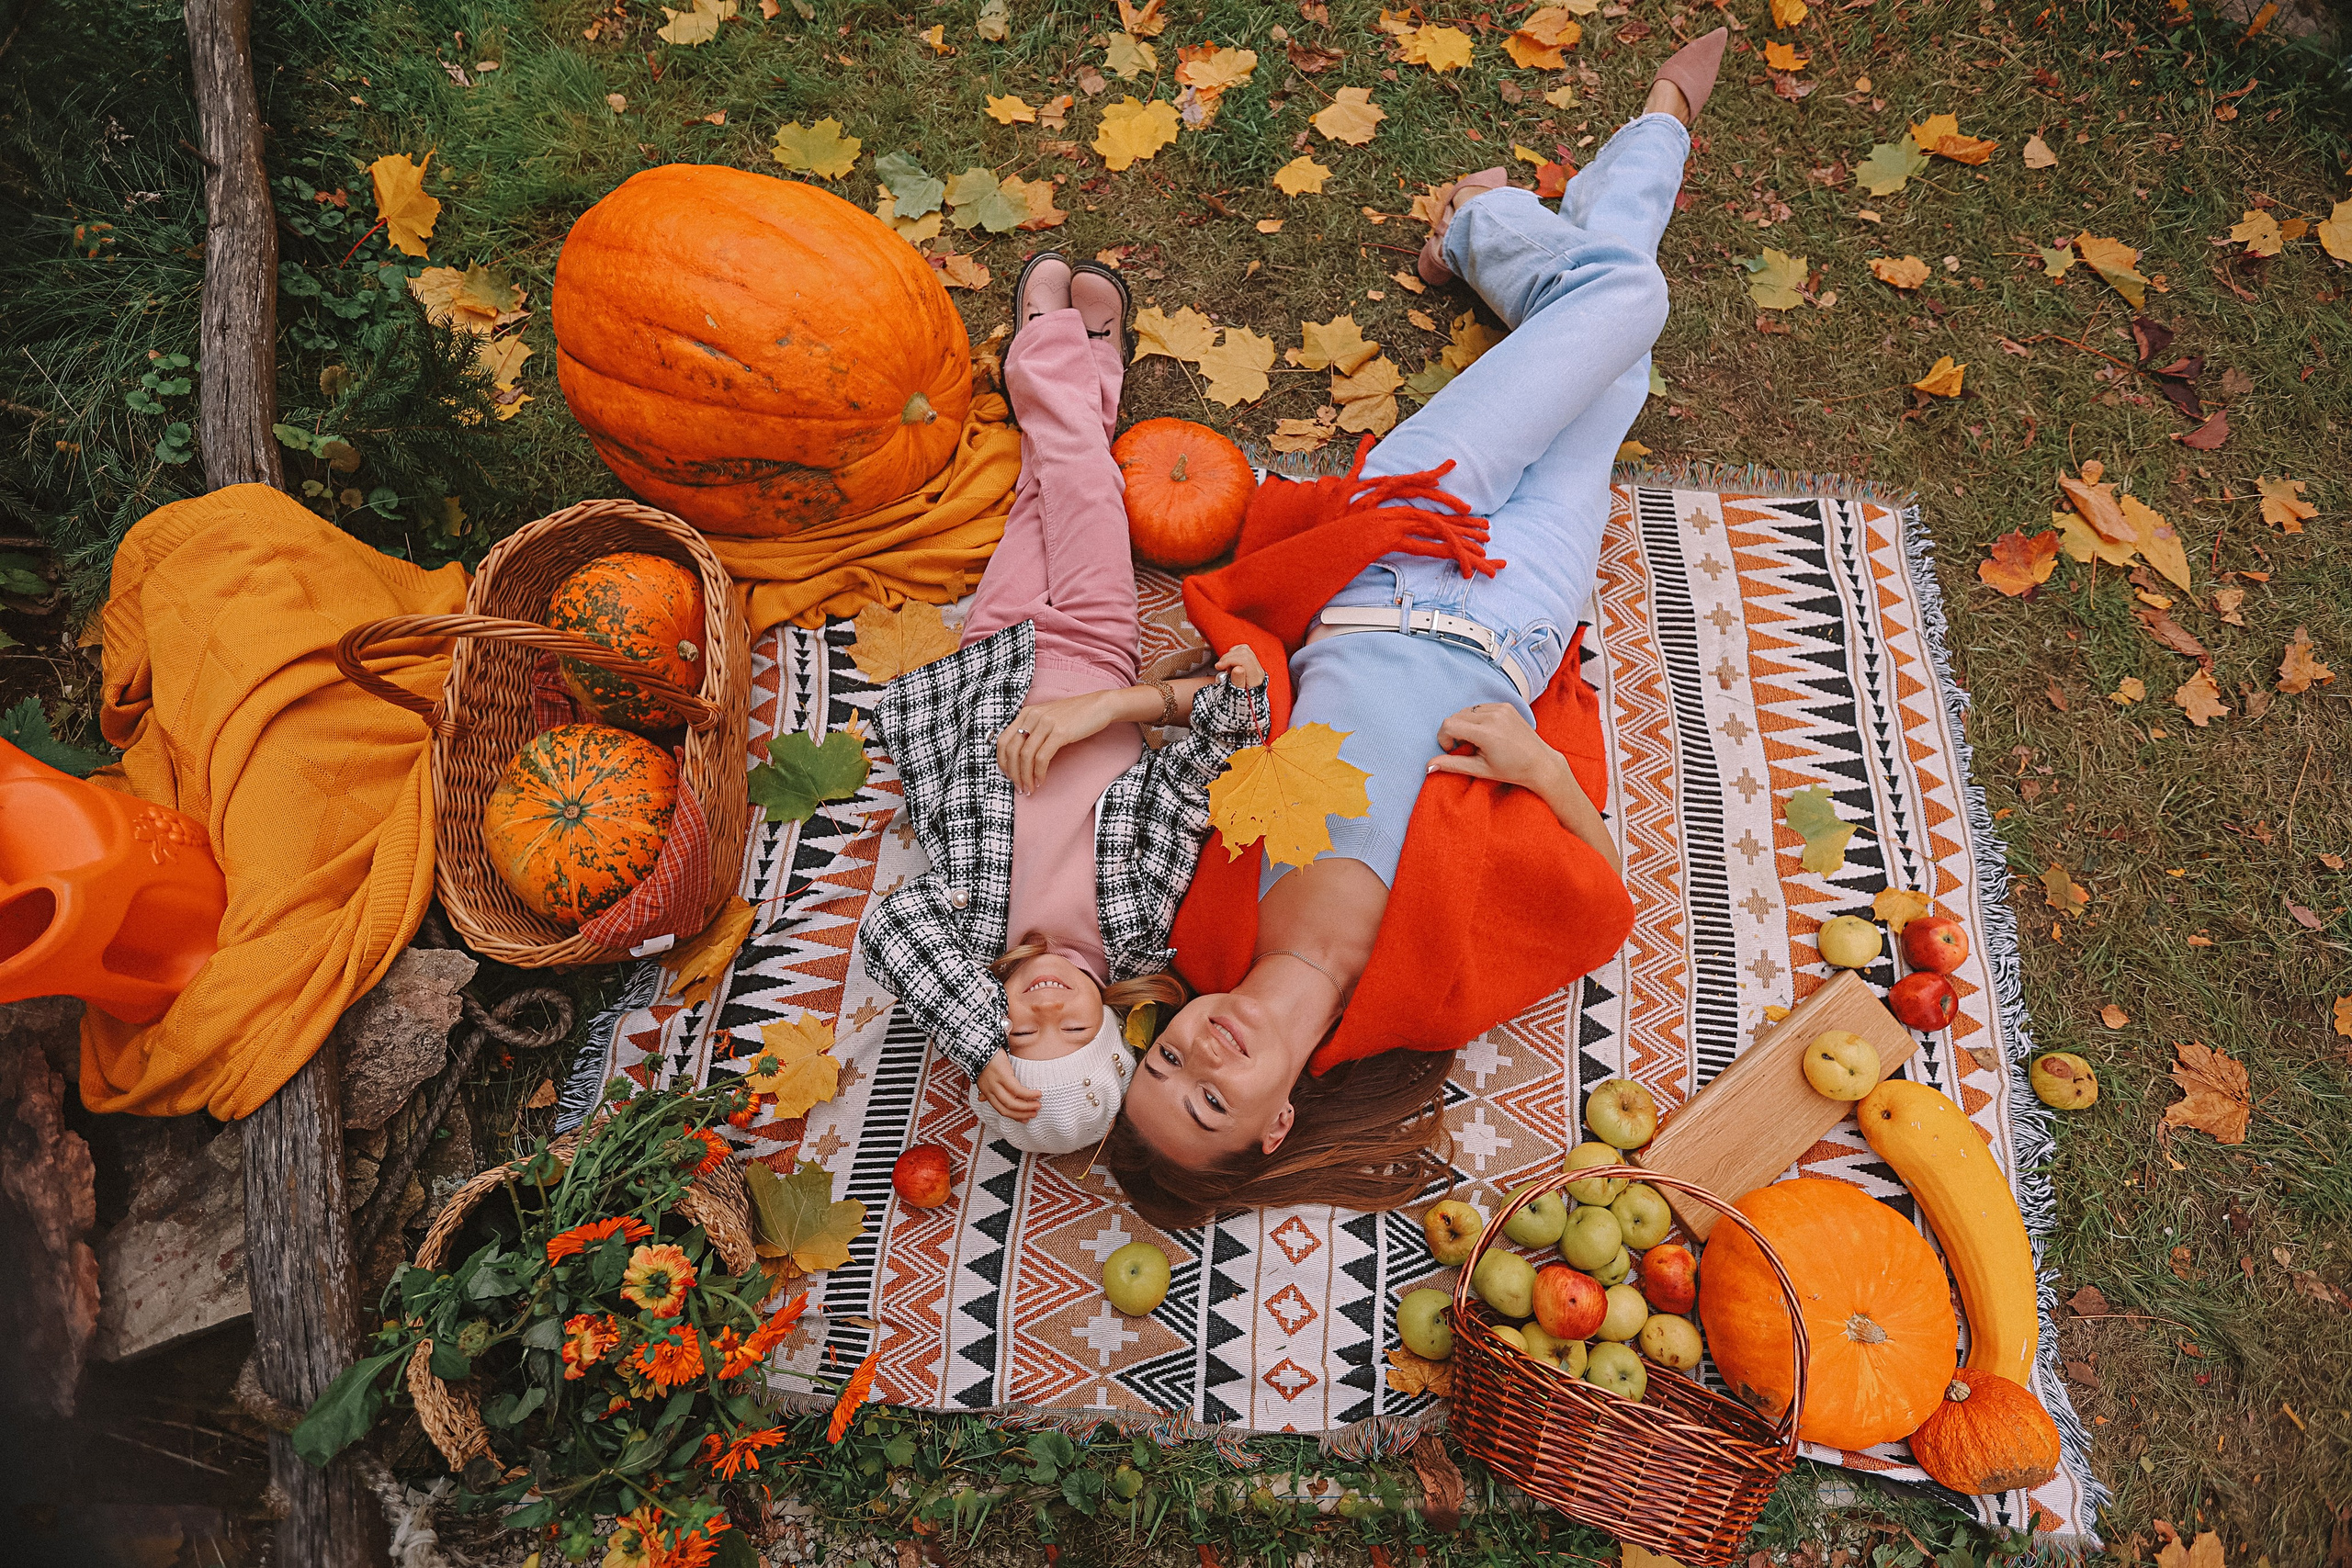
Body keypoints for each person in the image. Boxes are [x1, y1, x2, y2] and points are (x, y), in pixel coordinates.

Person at [1105, 32, 1728, 1224]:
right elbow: (1600, 898)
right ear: (1277, 1120)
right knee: (1614, 363)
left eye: (1166, 1059)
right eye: (1210, 1100)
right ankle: (1540, 201)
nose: (1199, 1056)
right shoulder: (1424, 1000)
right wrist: (1535, 764)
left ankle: (1518, 207)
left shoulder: (1204, 922)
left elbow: (1227, 730)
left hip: (1394, 546)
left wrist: (1189, 685)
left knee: (1627, 303)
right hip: (1516, 610)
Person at [862, 253, 1270, 1158]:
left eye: (1018, 1033)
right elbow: (1196, 782)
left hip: (989, 662)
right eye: (1068, 1033)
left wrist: (974, 1039)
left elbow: (890, 929)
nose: (1043, 1011)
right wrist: (1231, 711)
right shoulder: (1136, 928)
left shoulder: (968, 931)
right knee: (1085, 484)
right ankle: (1058, 345)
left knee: (1042, 492)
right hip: (1091, 649)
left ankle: (1085, 358)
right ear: (1111, 1032)